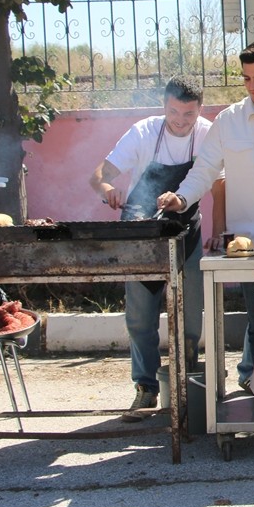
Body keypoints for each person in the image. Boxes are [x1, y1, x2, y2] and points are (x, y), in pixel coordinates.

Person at [157, 42, 254, 391]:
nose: (253, 86)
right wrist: (181, 198)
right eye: (246, 79)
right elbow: (205, 170)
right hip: (249, 245)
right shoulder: (229, 120)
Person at [90, 77, 214, 420]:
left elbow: (215, 179)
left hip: (185, 229)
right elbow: (100, 173)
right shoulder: (143, 132)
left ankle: (184, 380)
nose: (180, 120)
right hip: (141, 232)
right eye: (174, 111)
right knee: (140, 317)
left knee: (191, 312)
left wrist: (189, 205)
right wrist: (106, 187)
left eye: (188, 114)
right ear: (164, 106)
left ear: (199, 110)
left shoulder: (207, 133)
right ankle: (145, 388)